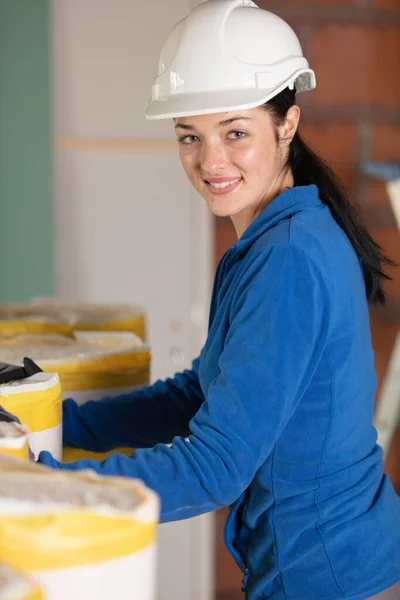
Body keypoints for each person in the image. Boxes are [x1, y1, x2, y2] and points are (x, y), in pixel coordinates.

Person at [39, 1, 400, 598]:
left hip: (331, 580)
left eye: (235, 133)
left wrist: (52, 486)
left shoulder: (287, 259)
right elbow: (201, 394)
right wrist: (63, 427)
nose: (210, 162)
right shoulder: (284, 236)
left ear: (287, 125)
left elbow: (216, 467)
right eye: (190, 137)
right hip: (344, 566)